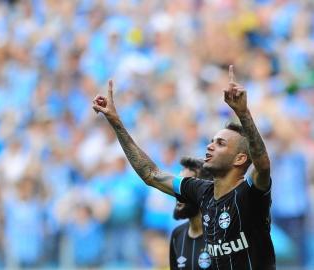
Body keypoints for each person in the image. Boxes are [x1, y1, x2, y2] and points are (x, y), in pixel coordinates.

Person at [92, 65, 275, 269]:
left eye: (221, 143)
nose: (210, 145)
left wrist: (243, 114)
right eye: (212, 141)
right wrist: (116, 122)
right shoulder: (202, 192)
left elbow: (263, 164)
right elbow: (151, 174)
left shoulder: (251, 195)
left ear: (240, 159)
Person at [170, 157, 213, 270]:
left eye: (186, 187)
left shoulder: (221, 235)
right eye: (178, 186)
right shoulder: (177, 235)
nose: (179, 194)